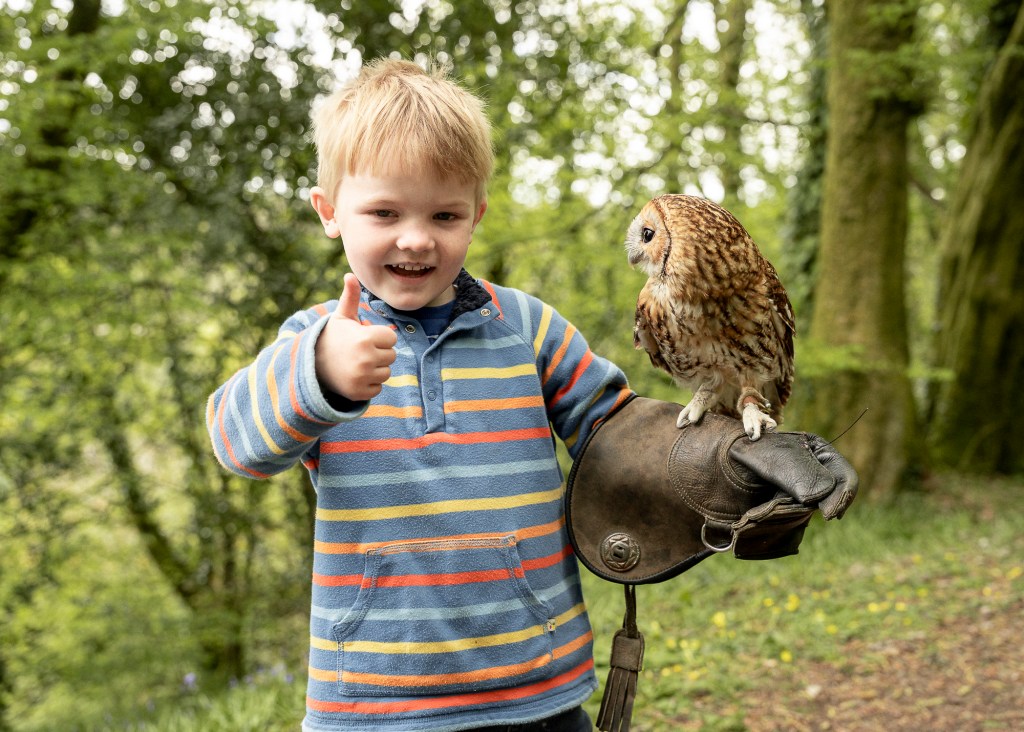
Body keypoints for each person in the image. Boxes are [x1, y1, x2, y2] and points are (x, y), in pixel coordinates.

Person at [206, 58, 856, 732]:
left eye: (445, 213)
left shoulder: (526, 327)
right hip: (373, 704)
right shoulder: (316, 340)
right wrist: (318, 373)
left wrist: (723, 461)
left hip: (538, 693)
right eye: (383, 211)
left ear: (476, 215)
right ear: (329, 211)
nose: (416, 237)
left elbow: (620, 434)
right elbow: (236, 444)